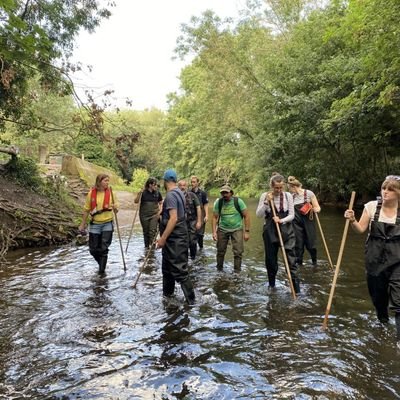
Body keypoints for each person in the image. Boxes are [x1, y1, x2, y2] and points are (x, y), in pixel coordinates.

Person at [344, 175, 400, 345]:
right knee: (378, 298)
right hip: (374, 260)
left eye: (390, 189)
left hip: (398, 260)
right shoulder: (371, 207)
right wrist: (352, 220)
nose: (385, 192)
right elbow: (360, 229)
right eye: (384, 188)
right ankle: (383, 325)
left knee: (399, 301)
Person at [256, 173, 300, 293]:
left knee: (291, 260)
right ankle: (272, 286)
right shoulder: (265, 195)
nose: (279, 190)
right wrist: (266, 202)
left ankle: (296, 290)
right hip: (270, 230)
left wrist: (281, 220)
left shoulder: (288, 196)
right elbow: (259, 215)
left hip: (287, 230)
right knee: (271, 260)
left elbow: (292, 215)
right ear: (272, 186)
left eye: (281, 187)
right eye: (276, 188)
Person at [157, 169, 195, 304]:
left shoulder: (171, 195)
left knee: (180, 271)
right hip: (176, 239)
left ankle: (192, 302)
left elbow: (173, 219)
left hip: (175, 240)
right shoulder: (179, 192)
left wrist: (162, 239)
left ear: (165, 181)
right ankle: (168, 298)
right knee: (167, 269)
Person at [79, 174, 118, 274]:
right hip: (95, 223)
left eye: (108, 181)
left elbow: (116, 210)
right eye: (105, 181)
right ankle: (102, 265)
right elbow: (86, 210)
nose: (107, 183)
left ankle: (101, 272)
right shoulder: (91, 193)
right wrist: (82, 224)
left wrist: (115, 207)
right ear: (99, 181)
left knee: (104, 248)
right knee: (93, 249)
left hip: (107, 223)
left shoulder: (111, 193)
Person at [212, 185, 250, 271]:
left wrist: (247, 231)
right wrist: (214, 232)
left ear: (231, 193)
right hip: (222, 229)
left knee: (238, 252)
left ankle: (237, 271)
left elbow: (246, 216)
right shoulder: (219, 202)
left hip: (237, 229)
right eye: (222, 193)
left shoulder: (238, 201)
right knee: (220, 251)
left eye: (226, 192)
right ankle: (219, 270)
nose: (224, 195)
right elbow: (214, 217)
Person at [287, 176, 321, 266]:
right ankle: (299, 264)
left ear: (294, 187)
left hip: (308, 222)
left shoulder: (309, 193)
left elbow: (318, 207)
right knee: (298, 245)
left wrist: (315, 209)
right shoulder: (291, 197)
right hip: (296, 223)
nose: (289, 191)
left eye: (290, 189)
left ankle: (314, 262)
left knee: (311, 244)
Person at [134, 177, 163, 248]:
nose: (156, 186)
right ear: (150, 185)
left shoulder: (157, 193)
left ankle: (152, 248)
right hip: (144, 215)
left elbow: (161, 203)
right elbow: (136, 201)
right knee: (146, 232)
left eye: (156, 185)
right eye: (155, 185)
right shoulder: (143, 193)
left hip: (154, 215)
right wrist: (139, 194)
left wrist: (160, 211)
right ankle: (147, 248)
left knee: (152, 231)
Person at [178, 179, 202, 260]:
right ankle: (184, 258)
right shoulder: (176, 196)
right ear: (178, 187)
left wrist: (199, 221)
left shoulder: (192, 195)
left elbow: (198, 208)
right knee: (182, 241)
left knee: (192, 240)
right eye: (180, 185)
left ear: (187, 186)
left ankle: (193, 258)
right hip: (181, 222)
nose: (182, 187)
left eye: (184, 185)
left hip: (192, 221)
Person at [190, 176, 209, 250]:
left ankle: (201, 248)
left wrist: (207, 215)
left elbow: (206, 204)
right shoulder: (189, 192)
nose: (192, 183)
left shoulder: (203, 193)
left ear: (198, 183)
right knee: (192, 234)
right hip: (192, 215)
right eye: (191, 182)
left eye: (194, 182)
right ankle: (193, 250)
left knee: (200, 234)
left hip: (201, 215)